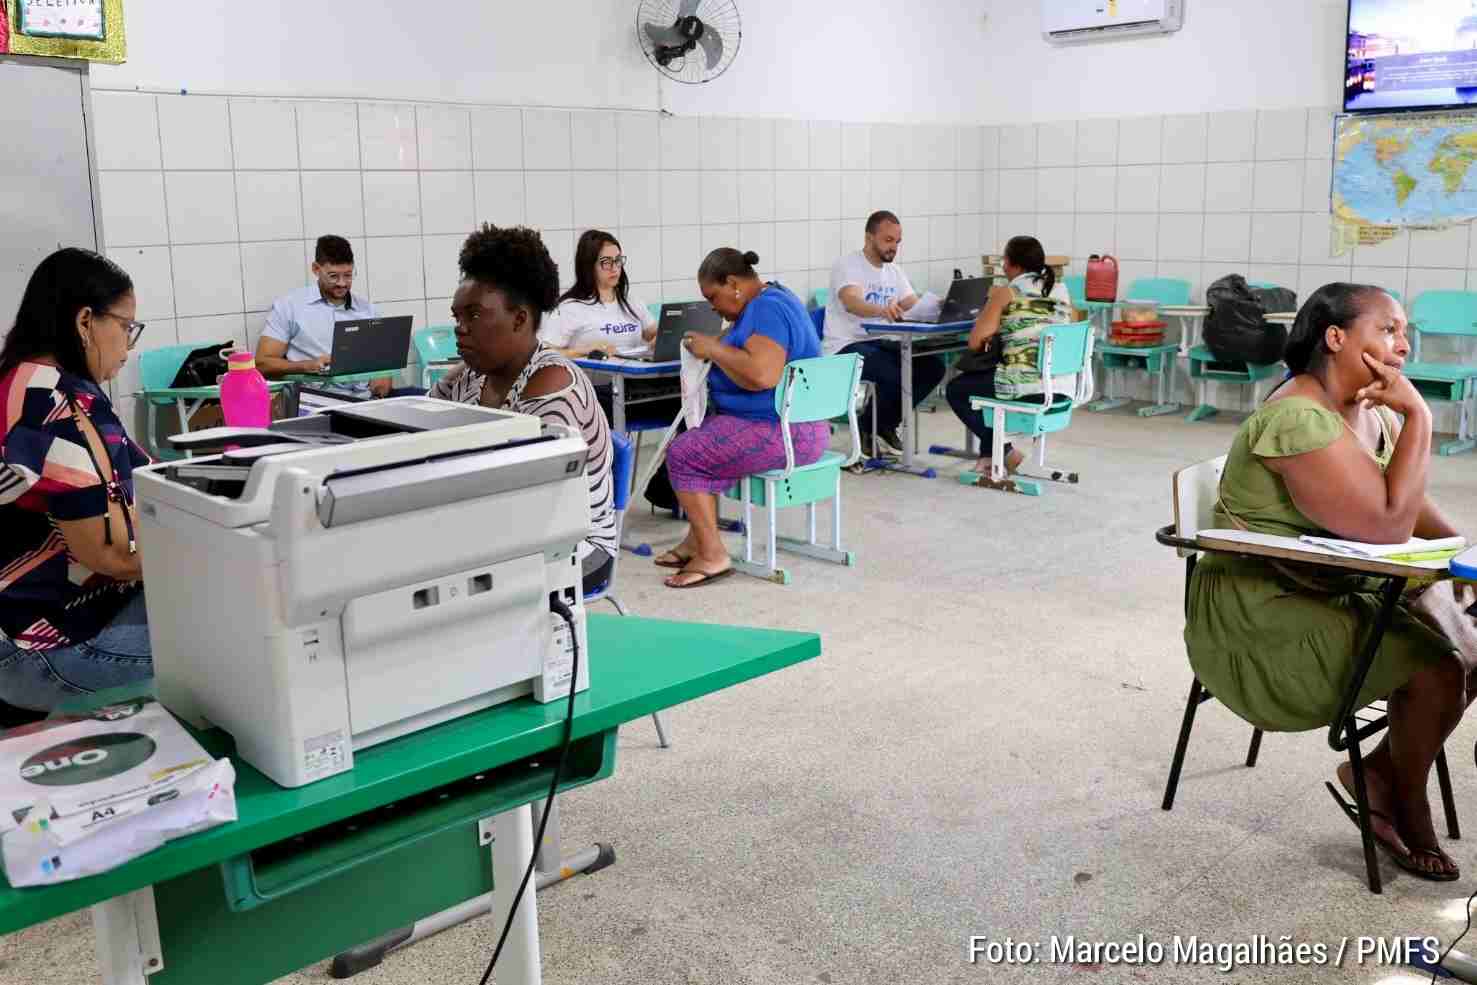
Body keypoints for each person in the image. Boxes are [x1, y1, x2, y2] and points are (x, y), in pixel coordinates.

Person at [1185, 283, 1471, 882]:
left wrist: (1465, 556)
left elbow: (1407, 502)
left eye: (1403, 331)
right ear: (1336, 337)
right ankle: (1402, 802)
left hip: (1327, 578)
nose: (1402, 344)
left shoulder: (1361, 406)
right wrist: (1419, 414)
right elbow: (1390, 525)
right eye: (1387, 329)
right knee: (1440, 667)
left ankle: (1379, 773)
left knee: (1474, 647)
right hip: (1262, 605)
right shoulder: (1298, 418)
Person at [0, 248, 152, 710]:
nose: (128, 347)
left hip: (43, 623)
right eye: (126, 327)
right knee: (241, 638)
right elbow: (113, 555)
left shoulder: (25, 383)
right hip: (45, 646)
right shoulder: (58, 404)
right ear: (86, 321)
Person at [429, 225, 618, 590]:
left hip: (575, 546)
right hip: (500, 532)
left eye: (474, 316)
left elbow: (540, 508)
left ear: (519, 318)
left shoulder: (552, 385)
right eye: (457, 317)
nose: (460, 329)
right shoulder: (465, 377)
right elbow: (419, 438)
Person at [655, 249, 824, 589]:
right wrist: (714, 342)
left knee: (684, 454)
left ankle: (713, 554)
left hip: (783, 432)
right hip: (793, 426)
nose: (712, 307)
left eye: (712, 297)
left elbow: (762, 374)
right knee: (699, 436)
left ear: (733, 283)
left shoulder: (766, 308)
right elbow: (746, 345)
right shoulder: (770, 299)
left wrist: (714, 350)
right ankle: (696, 540)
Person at [945, 235, 1075, 476]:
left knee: (958, 389)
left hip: (1028, 387)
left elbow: (975, 341)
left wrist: (991, 308)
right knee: (990, 378)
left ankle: (1002, 452)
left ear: (1010, 263)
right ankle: (988, 457)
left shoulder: (1008, 293)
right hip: (1063, 386)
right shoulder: (1062, 291)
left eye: (1004, 260)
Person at [823, 211, 946, 459]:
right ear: (869, 238)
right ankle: (871, 427)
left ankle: (882, 424)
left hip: (880, 342)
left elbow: (912, 305)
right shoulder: (848, 265)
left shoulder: (894, 272)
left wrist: (943, 305)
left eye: (898, 242)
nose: (894, 248)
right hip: (847, 345)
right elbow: (851, 302)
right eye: (888, 240)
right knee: (897, 373)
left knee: (933, 367)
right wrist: (882, 310)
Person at [255, 235, 395, 399]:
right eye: (333, 276)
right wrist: (308, 366)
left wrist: (382, 379)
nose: (342, 283)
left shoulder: (367, 310)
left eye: (348, 275)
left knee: (422, 399)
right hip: (319, 400)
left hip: (366, 400)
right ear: (316, 269)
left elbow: (382, 363)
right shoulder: (290, 307)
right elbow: (263, 363)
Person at [541, 230, 657, 360]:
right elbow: (545, 354)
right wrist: (585, 351)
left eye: (618, 260)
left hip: (633, 378)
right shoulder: (569, 308)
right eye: (606, 262)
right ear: (589, 266)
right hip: (594, 380)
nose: (615, 268)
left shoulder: (632, 302)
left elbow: (653, 334)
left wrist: (660, 339)